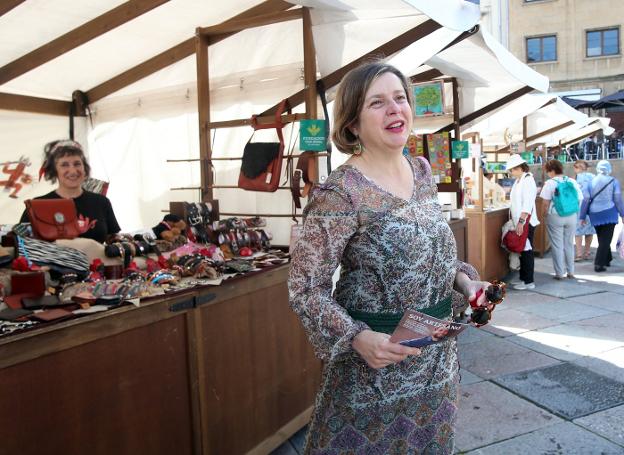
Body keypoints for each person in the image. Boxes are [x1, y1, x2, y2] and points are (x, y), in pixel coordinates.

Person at [288, 61, 490, 454]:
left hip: (436, 364)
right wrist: (357, 337)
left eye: (400, 98)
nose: (395, 109)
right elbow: (305, 289)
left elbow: (435, 251)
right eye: (377, 102)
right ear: (352, 125)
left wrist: (466, 282)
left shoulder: (422, 171)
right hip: (374, 372)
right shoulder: (339, 193)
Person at [20, 140, 120, 243]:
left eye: (77, 164)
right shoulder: (37, 206)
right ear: (54, 170)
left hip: (96, 259)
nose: (73, 171)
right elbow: (22, 242)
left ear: (84, 168)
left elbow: (113, 238)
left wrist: (122, 245)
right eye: (64, 165)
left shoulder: (101, 202)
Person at [538, 160, 583, 279]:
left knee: (557, 245)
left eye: (548, 171)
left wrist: (543, 215)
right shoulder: (572, 181)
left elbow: (545, 203)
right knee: (569, 243)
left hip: (555, 216)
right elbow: (580, 199)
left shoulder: (550, 183)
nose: (548, 173)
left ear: (552, 171)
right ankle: (571, 271)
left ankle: (559, 273)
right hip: (571, 215)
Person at [579, 160, 624, 272]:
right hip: (609, 213)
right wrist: (622, 213)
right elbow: (617, 199)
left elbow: (585, 200)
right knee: (606, 239)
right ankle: (599, 264)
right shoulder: (613, 181)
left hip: (594, 214)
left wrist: (582, 216)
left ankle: (607, 259)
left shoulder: (591, 182)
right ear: (609, 169)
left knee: (602, 238)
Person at [506, 154, 539, 290]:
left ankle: (529, 281)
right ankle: (524, 279)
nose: (511, 173)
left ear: (519, 168)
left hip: (526, 221)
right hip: (521, 221)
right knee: (523, 249)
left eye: (512, 170)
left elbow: (528, 203)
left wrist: (521, 221)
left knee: (526, 250)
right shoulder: (520, 180)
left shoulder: (528, 180)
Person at [573, 160, 596, 261]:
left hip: (579, 207)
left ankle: (579, 254)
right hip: (591, 207)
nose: (575, 169)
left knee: (578, 231)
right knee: (589, 231)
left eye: (576, 167)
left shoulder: (577, 178)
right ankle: (586, 252)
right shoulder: (593, 177)